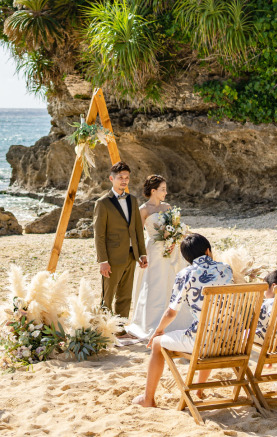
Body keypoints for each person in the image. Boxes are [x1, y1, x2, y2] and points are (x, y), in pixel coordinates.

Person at [132, 233, 233, 408]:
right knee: (210, 333)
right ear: (208, 251)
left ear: (187, 258)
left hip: (204, 342)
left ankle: (148, 399)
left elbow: (171, 312)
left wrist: (158, 331)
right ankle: (199, 390)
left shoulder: (185, 274)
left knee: (157, 343)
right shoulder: (226, 269)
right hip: (230, 340)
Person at [126, 175, 192, 340]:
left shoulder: (167, 206)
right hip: (153, 252)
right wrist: (140, 254)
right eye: (162, 189)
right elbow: (137, 235)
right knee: (155, 285)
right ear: (153, 191)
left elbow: (175, 226)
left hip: (172, 250)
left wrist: (175, 238)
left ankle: (173, 320)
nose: (166, 192)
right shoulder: (143, 210)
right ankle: (151, 322)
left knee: (172, 282)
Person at [94, 161, 148, 322]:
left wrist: (142, 253)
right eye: (120, 177)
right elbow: (99, 235)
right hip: (112, 257)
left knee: (125, 296)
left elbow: (138, 229)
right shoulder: (102, 203)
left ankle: (120, 328)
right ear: (111, 178)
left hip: (131, 255)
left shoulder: (132, 200)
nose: (124, 180)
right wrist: (103, 260)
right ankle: (105, 330)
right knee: (107, 298)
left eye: (126, 177)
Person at [254, 269, 277, 345]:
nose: (264, 292)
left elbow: (257, 325)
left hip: (270, 343)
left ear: (273, 286)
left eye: (265, 288)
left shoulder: (268, 303)